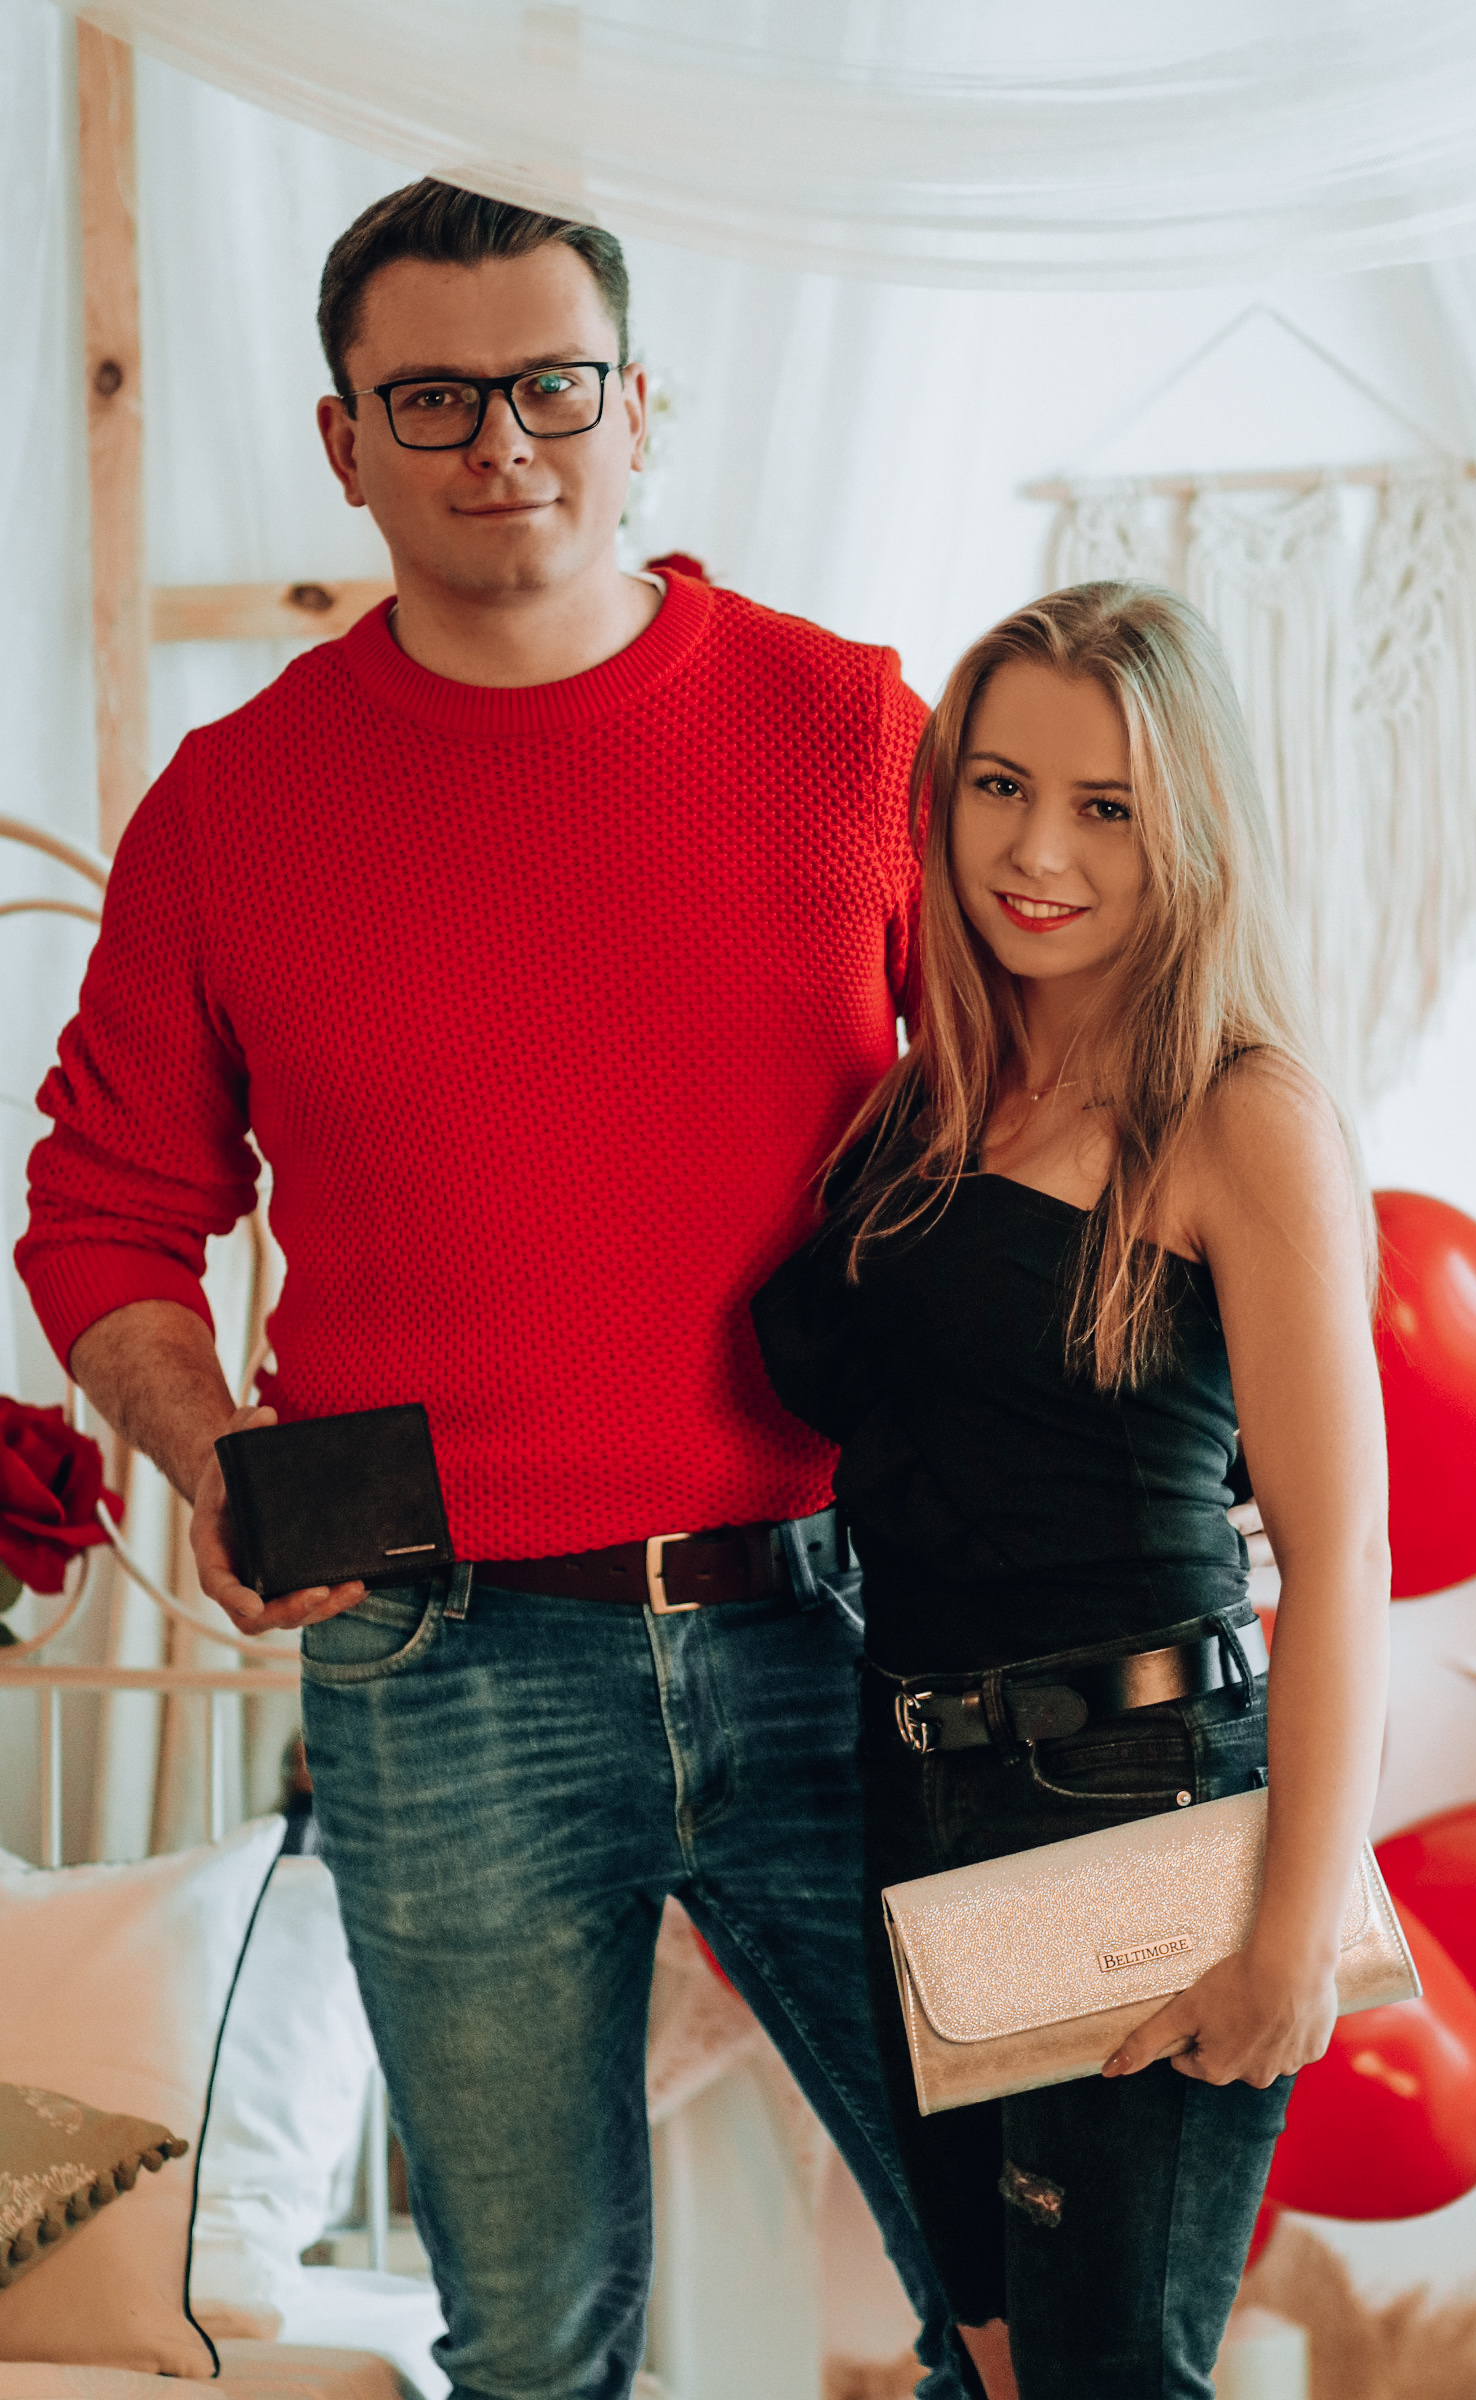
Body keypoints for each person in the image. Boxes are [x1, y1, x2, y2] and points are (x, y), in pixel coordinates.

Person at [16, 180, 973, 2400]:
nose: (502, 444)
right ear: (343, 441)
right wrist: (207, 1447)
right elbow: (103, 1210)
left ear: (640, 410)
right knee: (532, 2343)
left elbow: (1048, 1126)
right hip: (438, 1662)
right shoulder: (232, 810)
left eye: (552, 385)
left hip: (854, 1617)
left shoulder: (850, 730)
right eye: (434, 399)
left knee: (1024, 2285)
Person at [753, 583, 1390, 2400]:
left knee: (1105, 2375)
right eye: (999, 787)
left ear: (1190, 826)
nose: (1037, 853)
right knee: (992, 2348)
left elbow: (1342, 1552)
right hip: (913, 1773)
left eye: (1106, 807)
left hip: (1133, 1793)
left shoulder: (1240, 1114)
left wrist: (1292, 1937)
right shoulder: (929, 1099)